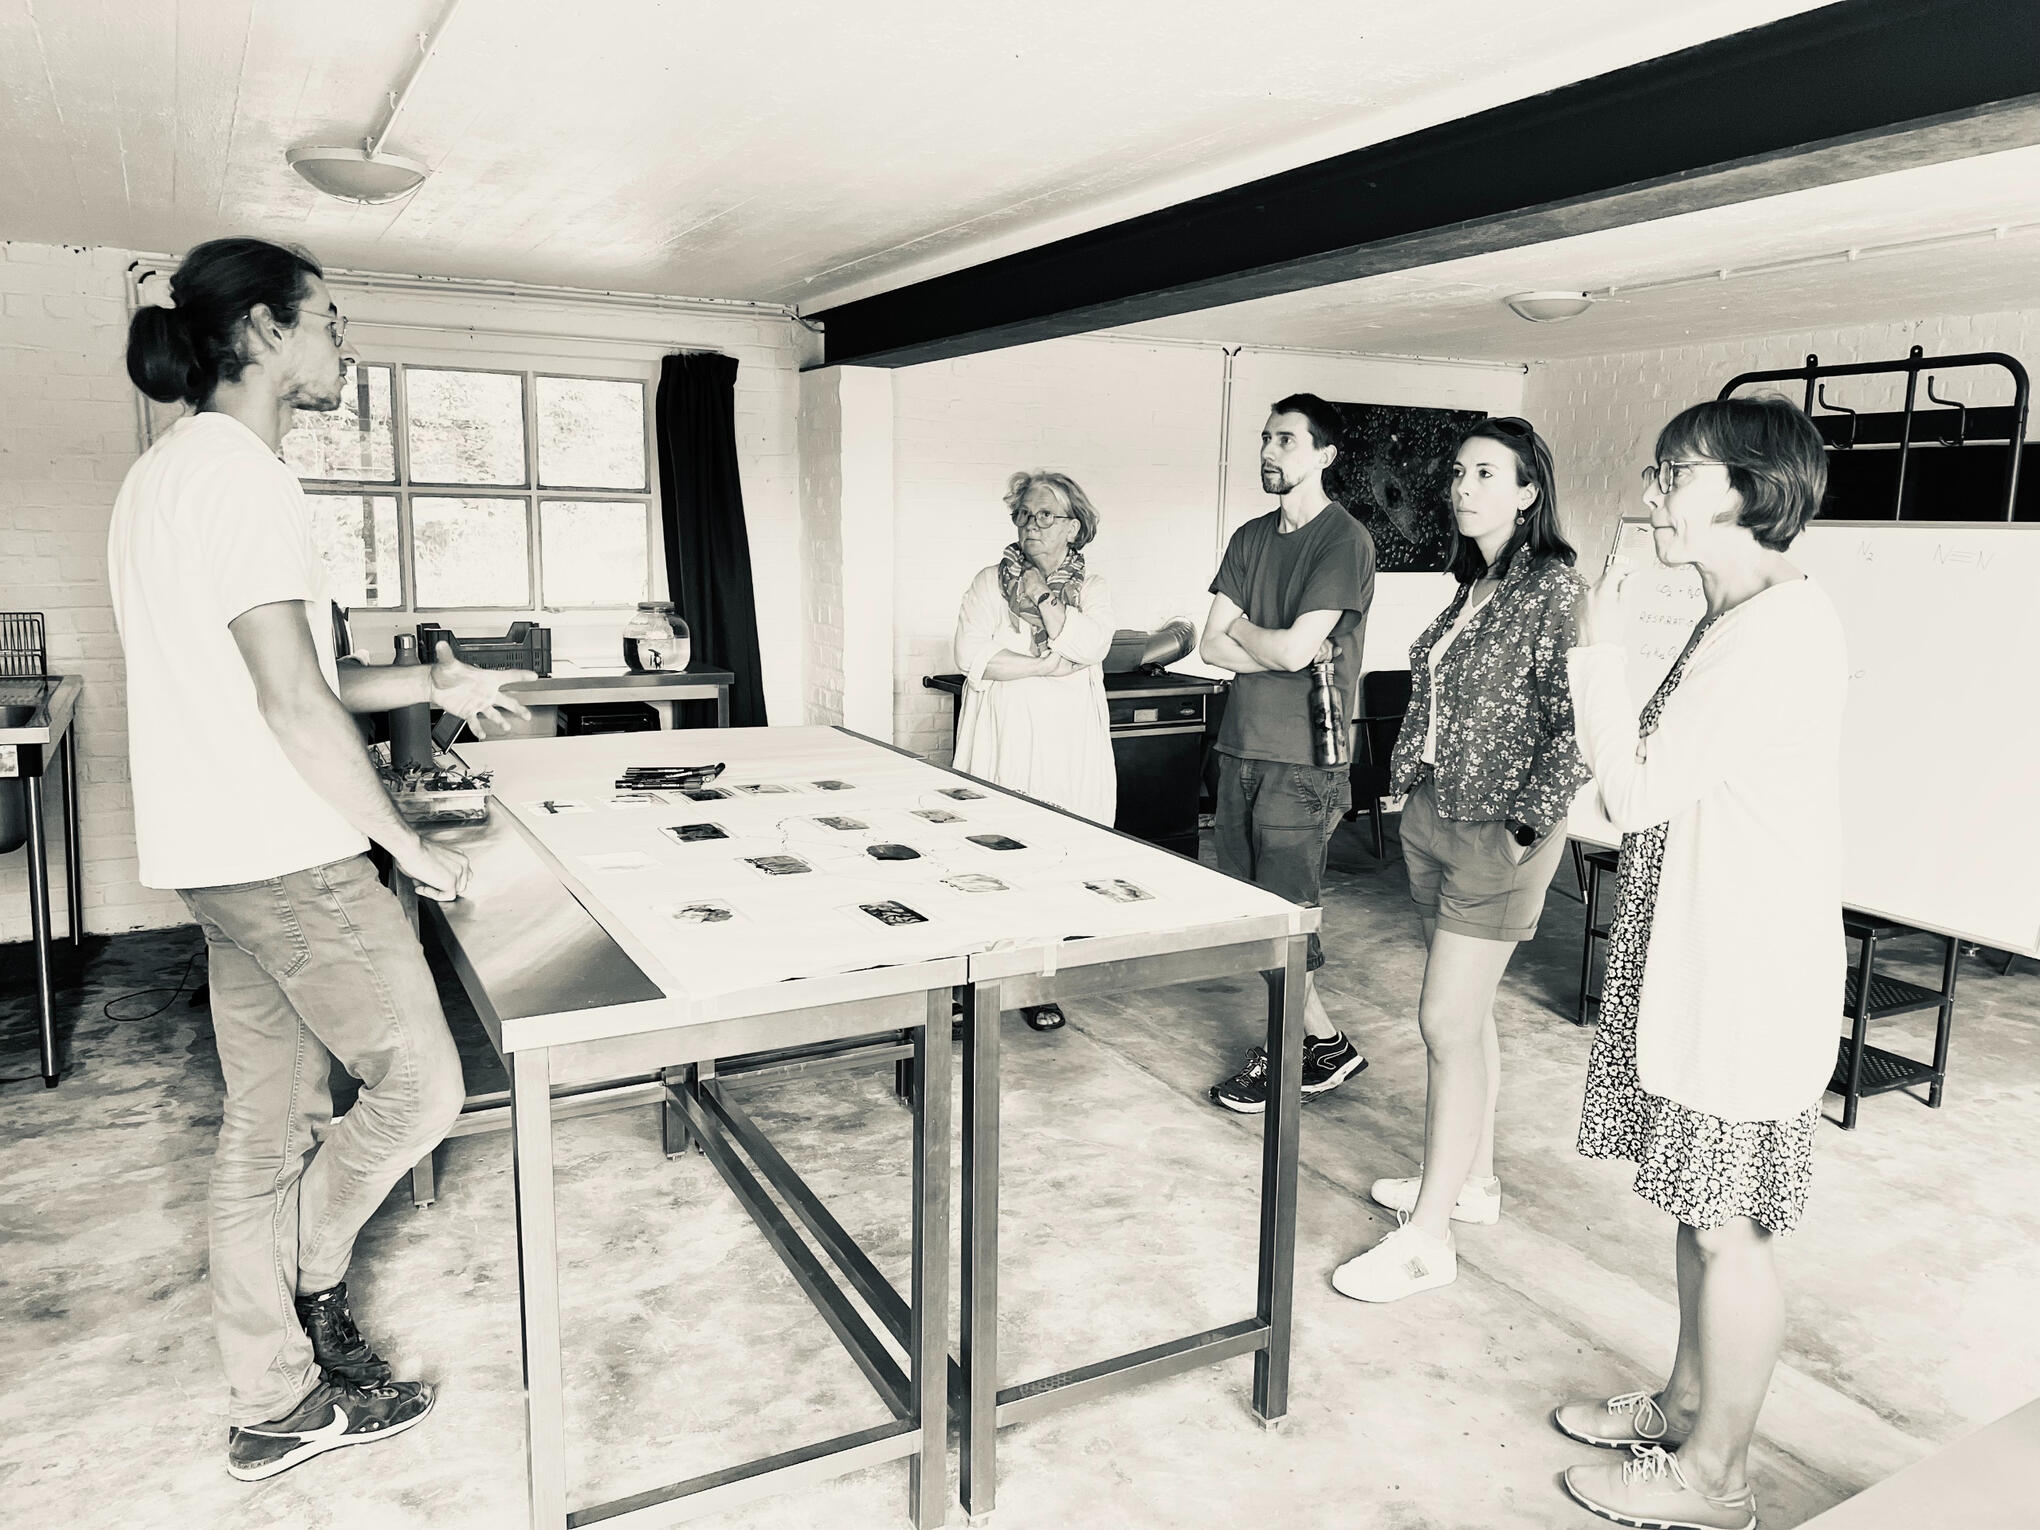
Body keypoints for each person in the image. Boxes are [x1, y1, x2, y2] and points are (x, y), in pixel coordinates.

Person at [111, 238, 534, 1482]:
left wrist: (434, 682)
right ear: (262, 330)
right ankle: (300, 1278)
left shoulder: (165, 474)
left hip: (213, 855)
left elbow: (312, 677)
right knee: (425, 1092)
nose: (344, 344)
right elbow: (294, 704)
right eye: (331, 322)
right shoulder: (245, 480)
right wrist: (404, 842)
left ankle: (274, 1398)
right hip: (286, 854)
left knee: (269, 1123)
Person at [1552, 395, 1845, 1530]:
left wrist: (1595, 645)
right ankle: (1684, 1407)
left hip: (1744, 972)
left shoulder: (1774, 632)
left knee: (1731, 1228)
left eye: (1676, 473)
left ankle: (1717, 1479)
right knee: (1697, 1207)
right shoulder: (1735, 616)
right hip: (1705, 952)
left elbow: (1637, 788)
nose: (1654, 492)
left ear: (1749, 490)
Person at [1332, 417, 1587, 1302]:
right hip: (1435, 815)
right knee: (1469, 1021)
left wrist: (1524, 826)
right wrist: (1409, 793)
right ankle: (1472, 1182)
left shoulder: (1553, 588)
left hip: (1495, 832)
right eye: (1458, 472)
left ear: (1528, 492)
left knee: (1443, 1022)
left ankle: (1428, 1238)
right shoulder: (1473, 586)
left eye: (1487, 473)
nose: (1463, 487)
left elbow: (1578, 725)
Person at [1204, 394, 1373, 1112]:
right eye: (1266, 439)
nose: (1269, 452)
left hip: (1304, 758)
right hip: (1239, 746)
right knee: (1253, 915)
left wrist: (1249, 630)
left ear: (1324, 455)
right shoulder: (1250, 537)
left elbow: (1296, 649)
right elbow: (1209, 645)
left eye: (1286, 441)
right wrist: (1271, 645)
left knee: (1286, 916)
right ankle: (1326, 1044)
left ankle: (1287, 1055)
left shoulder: (1344, 541)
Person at [952, 469, 1116, 1030]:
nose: (1031, 524)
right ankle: (973, 984)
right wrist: (1047, 666)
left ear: (1075, 526)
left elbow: (1091, 644)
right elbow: (971, 655)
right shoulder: (986, 583)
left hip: (1067, 746)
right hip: (1001, 741)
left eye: (1045, 514)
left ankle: (1037, 985)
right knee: (988, 854)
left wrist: (1041, 595)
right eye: (1023, 513)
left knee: (1055, 859)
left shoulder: (1092, 589)